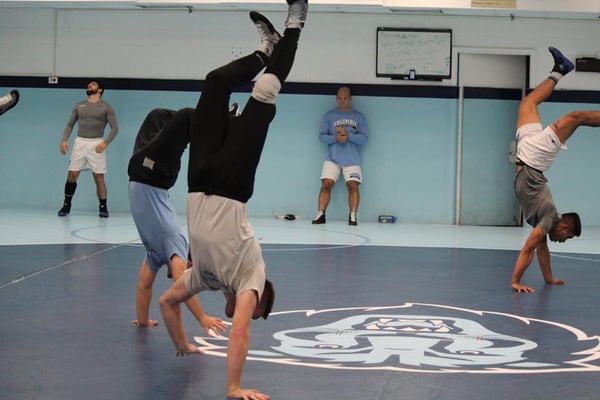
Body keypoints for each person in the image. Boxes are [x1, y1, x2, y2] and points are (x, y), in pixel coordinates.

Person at [158, 2, 307, 399]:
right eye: (256, 312)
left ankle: (266, 50)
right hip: (232, 184)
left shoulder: (203, 278)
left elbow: (167, 303)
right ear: (258, 302)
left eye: (248, 311)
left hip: (198, 180)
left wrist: (181, 343)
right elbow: (240, 330)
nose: (247, 314)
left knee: (215, 81)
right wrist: (234, 387)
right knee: (265, 91)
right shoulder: (250, 278)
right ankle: (294, 27)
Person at [127, 107, 228, 334]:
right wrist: (202, 318)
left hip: (143, 169)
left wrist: (143, 321)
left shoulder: (155, 254)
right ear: (190, 262)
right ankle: (227, 120)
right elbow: (182, 284)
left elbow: (144, 285)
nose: (182, 271)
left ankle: (216, 123)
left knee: (160, 116)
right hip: (155, 173)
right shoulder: (177, 243)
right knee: (182, 118)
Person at [510, 46, 600, 293]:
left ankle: (560, 71)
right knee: (576, 116)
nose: (561, 241)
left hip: (526, 154)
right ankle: (560, 70)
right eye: (566, 238)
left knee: (528, 102)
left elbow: (540, 250)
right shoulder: (549, 217)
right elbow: (528, 248)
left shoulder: (546, 222)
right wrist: (515, 281)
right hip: (533, 159)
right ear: (565, 227)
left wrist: (548, 279)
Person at [58, 80, 119, 218]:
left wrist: (105, 143)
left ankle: (103, 207)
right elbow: (69, 124)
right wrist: (64, 140)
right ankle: (66, 205)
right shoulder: (79, 105)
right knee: (72, 176)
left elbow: (115, 128)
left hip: (96, 143)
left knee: (99, 178)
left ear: (100, 90)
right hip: (80, 143)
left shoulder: (106, 107)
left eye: (92, 84)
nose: (89, 86)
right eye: (89, 85)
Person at [311, 86, 368, 226]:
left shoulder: (359, 117)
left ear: (350, 99)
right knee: (326, 184)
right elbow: (322, 137)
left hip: (351, 158)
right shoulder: (329, 116)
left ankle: (353, 215)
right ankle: (321, 214)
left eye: (345, 98)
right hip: (332, 158)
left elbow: (364, 138)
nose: (342, 101)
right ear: (337, 99)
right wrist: (336, 138)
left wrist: (348, 136)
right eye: (340, 98)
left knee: (353, 185)